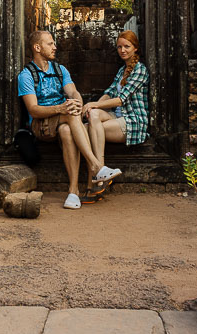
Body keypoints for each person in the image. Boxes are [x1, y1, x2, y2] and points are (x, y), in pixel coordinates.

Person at [18, 30, 122, 209]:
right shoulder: (26, 75)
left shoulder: (60, 70)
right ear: (37, 47)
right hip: (41, 124)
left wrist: (77, 103)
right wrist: (61, 108)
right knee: (69, 114)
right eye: (50, 43)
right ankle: (96, 166)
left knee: (67, 130)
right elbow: (33, 110)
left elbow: (73, 92)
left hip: (64, 122)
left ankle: (73, 192)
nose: (54, 47)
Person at [83, 30, 150, 167]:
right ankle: (101, 172)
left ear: (135, 48)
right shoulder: (122, 71)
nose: (122, 50)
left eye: (127, 46)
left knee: (88, 129)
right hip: (117, 116)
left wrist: (94, 104)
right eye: (119, 47)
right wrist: (92, 107)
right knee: (93, 115)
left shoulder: (139, 70)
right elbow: (110, 92)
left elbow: (121, 99)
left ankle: (99, 167)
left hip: (133, 120)